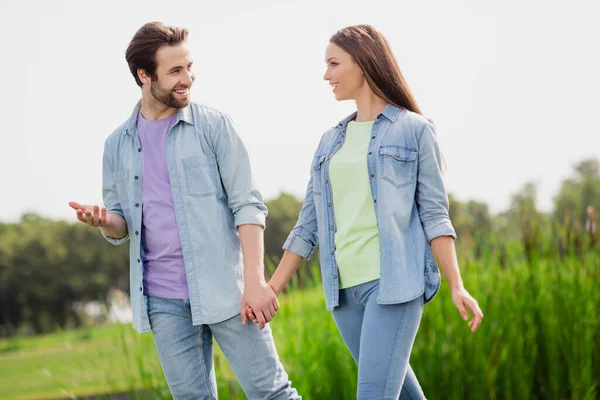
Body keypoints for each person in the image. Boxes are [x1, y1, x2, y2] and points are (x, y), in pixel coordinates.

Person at [247, 24, 483, 399]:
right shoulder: (330, 142)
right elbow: (307, 225)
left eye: (333, 64)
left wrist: (457, 284)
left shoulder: (414, 130)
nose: (326, 75)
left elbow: (435, 216)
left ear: (363, 63)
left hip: (393, 285)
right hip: (343, 292)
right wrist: (269, 288)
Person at [69, 21, 300, 400]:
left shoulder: (215, 127)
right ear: (145, 75)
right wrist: (103, 220)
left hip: (228, 290)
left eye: (189, 67)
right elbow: (121, 224)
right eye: (175, 70)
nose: (188, 78)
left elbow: (248, 205)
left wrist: (256, 282)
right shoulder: (117, 145)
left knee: (271, 393)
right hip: (163, 301)